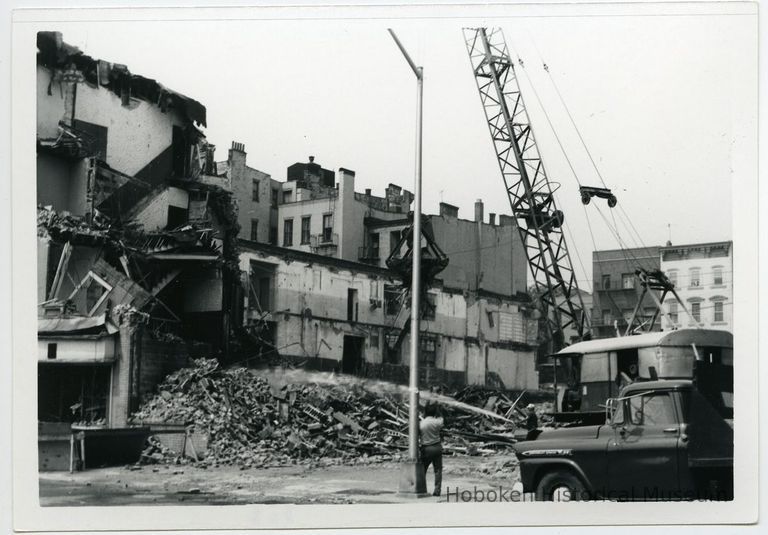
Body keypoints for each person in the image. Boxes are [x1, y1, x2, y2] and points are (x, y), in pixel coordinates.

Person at [419, 403, 444, 497]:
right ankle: (437, 491)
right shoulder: (438, 422)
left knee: (422, 470)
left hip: (426, 448)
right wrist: (438, 411)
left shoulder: (421, 423)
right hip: (437, 447)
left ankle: (421, 489)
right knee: (438, 471)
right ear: (434, 412)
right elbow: (441, 417)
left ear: (425, 412)